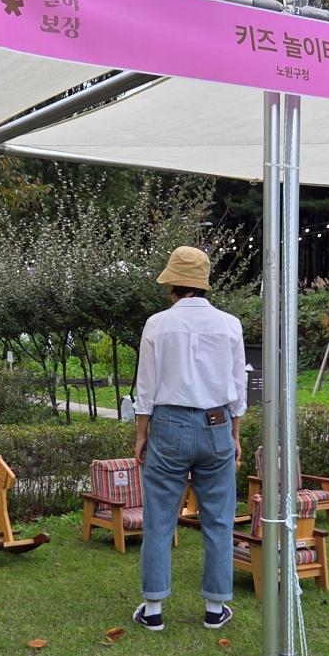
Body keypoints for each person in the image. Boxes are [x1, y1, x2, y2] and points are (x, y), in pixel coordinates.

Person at [132, 246, 248, 633]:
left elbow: (145, 387)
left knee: (159, 520)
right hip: (217, 423)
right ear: (203, 284)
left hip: (167, 425)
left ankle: (153, 609)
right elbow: (238, 387)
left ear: (172, 286)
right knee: (218, 519)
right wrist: (235, 433)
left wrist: (141, 433)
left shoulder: (157, 324)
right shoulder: (230, 324)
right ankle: (215, 609)